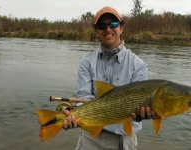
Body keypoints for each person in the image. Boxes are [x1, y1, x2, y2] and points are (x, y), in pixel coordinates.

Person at [63, 6, 157, 150]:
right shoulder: (86, 62)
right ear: (96, 31)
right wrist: (75, 116)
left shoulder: (138, 65)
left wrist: (144, 114)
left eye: (113, 24)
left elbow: (141, 102)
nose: (108, 29)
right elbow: (83, 96)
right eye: (102, 26)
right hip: (90, 137)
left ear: (121, 28)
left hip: (124, 140)